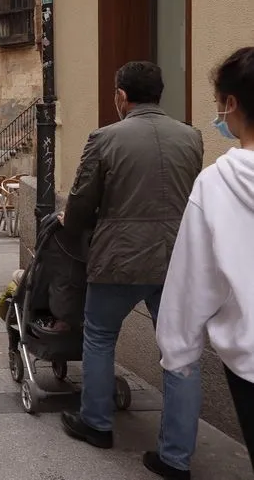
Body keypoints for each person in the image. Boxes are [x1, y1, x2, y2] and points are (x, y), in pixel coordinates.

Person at [57, 62, 203, 479]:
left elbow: (82, 202)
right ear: (160, 93)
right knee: (180, 352)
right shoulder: (191, 137)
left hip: (118, 257)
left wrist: (72, 227)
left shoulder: (105, 138)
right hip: (176, 258)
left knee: (100, 336)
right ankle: (176, 457)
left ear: (121, 96)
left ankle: (97, 423)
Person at [157, 47, 254, 475]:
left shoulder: (218, 183)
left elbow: (193, 281)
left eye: (218, 103)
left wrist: (177, 350)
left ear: (231, 103)